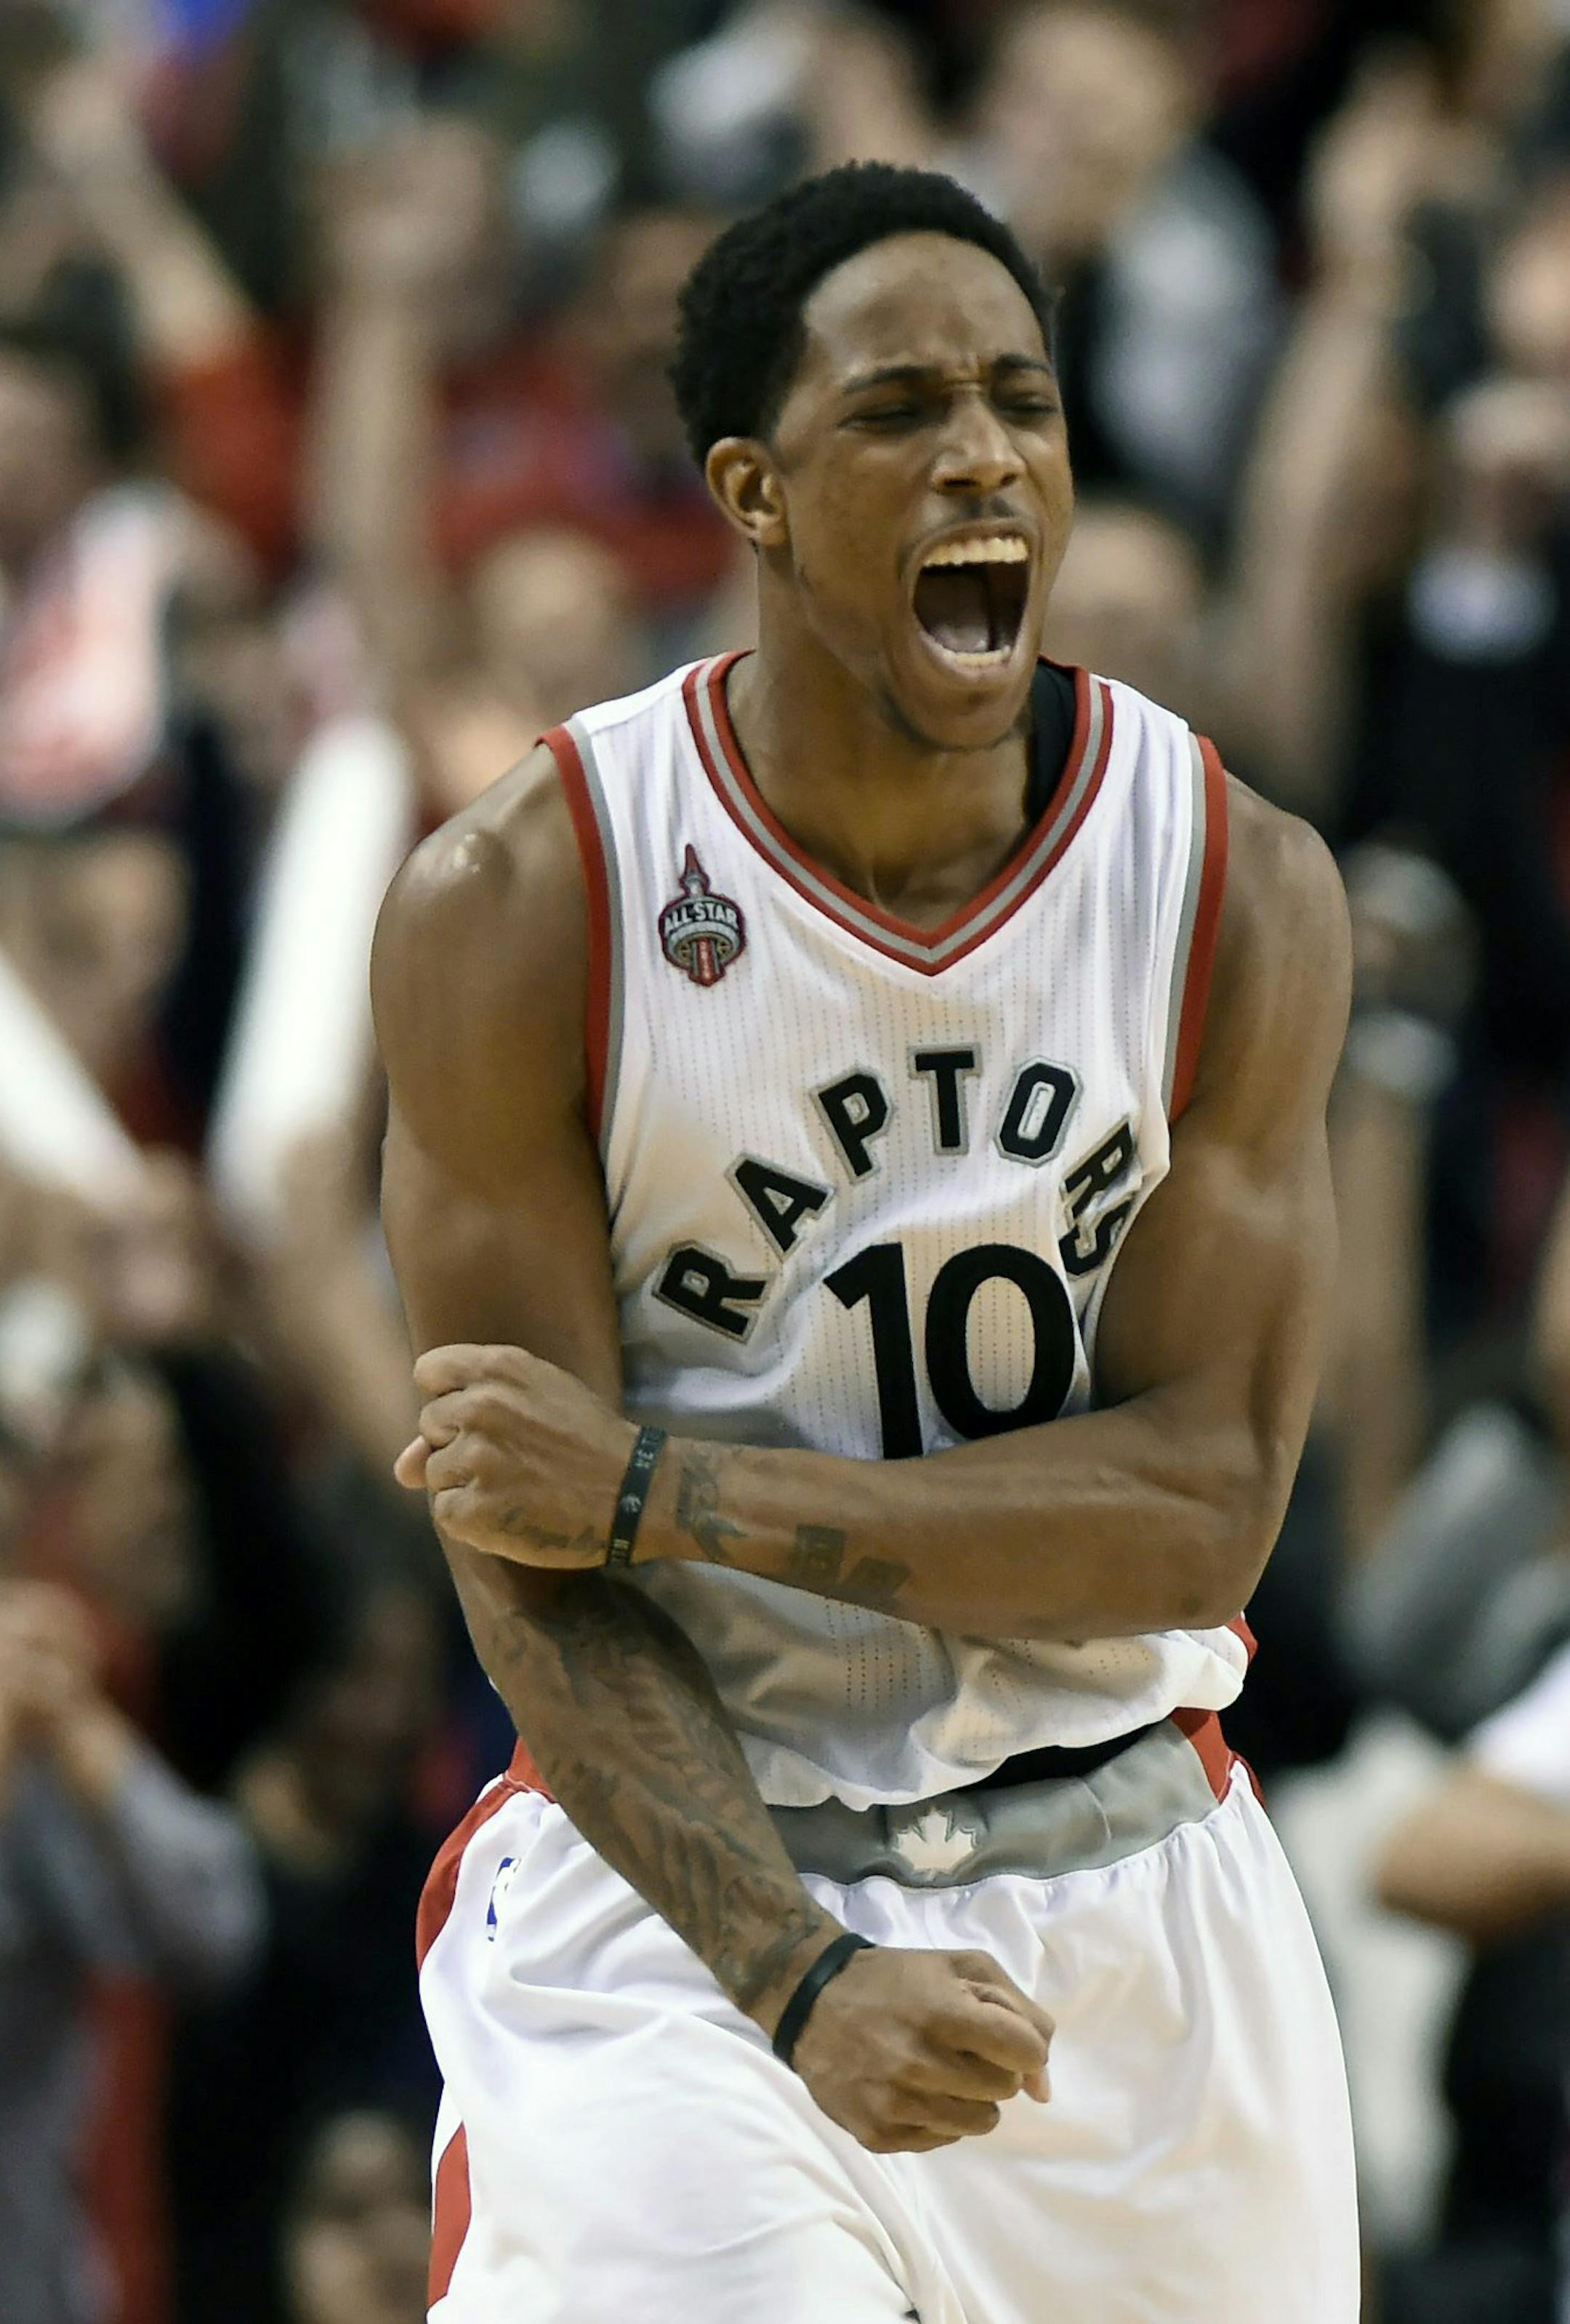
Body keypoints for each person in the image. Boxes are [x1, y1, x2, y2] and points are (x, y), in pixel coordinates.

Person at [373, 161, 1357, 2321]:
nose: (985, 451)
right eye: (902, 408)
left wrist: (675, 1493)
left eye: (1024, 397)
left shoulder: (1230, 887)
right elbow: (531, 1571)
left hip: (1142, 1904)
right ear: (753, 489)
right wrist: (798, 1977)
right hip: (690, 1913)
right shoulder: (528, 905)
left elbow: (1202, 1515)